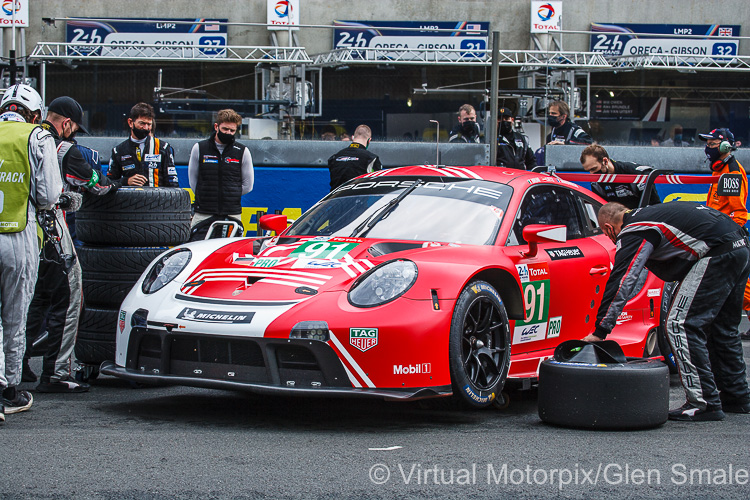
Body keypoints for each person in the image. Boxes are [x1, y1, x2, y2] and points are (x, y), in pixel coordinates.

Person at [585, 201, 750, 421]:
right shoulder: (654, 214)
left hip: (716, 252)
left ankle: (703, 402)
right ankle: (737, 397)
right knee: (722, 327)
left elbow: (624, 279)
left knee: (680, 324)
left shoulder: (635, 229)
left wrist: (601, 330)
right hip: (740, 246)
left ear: (608, 228)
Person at [22, 97, 120, 393]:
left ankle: (18, 365)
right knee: (70, 297)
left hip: (25, 233)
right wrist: (113, 184)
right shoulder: (66, 149)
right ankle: (57, 373)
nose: (73, 132)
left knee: (34, 300)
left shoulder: (26, 139)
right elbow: (98, 186)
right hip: (53, 231)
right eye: (74, 126)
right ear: (66, 123)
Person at [0, 84, 64, 421]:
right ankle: (9, 389)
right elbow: (48, 194)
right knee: (14, 318)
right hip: (18, 236)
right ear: (35, 114)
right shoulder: (37, 137)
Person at [698, 127, 750, 340]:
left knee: (742, 285)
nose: (708, 147)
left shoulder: (731, 172)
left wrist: (728, 236)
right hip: (717, 234)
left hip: (728, 238)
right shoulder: (719, 169)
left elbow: (739, 213)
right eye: (708, 144)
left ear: (726, 145)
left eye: (712, 143)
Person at [188, 109, 254, 239]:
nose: (228, 133)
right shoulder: (199, 148)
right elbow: (193, 181)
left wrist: (229, 193)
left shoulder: (242, 151)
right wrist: (209, 193)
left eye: (232, 130)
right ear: (216, 127)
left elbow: (248, 185)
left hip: (231, 214)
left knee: (229, 253)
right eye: (225, 129)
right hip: (204, 213)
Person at [107, 102, 178, 187]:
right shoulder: (118, 151)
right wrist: (126, 181)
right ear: (130, 123)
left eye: (149, 124)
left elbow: (173, 184)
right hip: (130, 199)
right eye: (142, 123)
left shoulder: (163, 147)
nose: (146, 128)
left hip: (157, 198)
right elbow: (109, 183)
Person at [579, 144, 661, 209]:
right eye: (588, 170)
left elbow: (654, 206)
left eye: (594, 169)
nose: (591, 174)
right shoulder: (595, 181)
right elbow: (600, 208)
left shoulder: (636, 173)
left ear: (605, 161)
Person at [328, 124, 382, 190]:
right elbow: (377, 185)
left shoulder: (335, 157)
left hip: (335, 199)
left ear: (352, 137)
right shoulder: (371, 159)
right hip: (359, 199)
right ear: (369, 140)